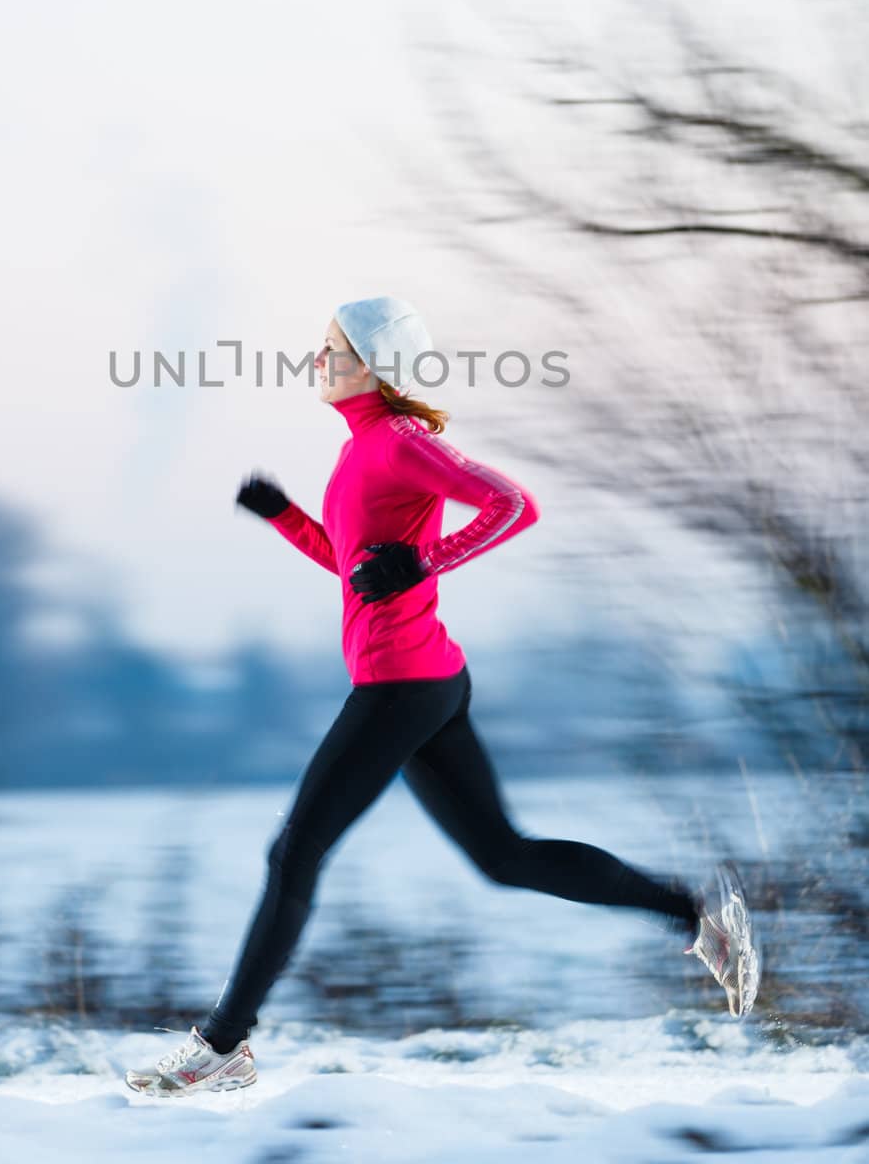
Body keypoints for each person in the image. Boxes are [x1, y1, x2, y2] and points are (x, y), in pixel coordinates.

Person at [125, 297, 759, 1098]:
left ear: (371, 364)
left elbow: (512, 505)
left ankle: (221, 1047)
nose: (313, 360)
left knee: (293, 854)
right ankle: (699, 916)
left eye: (329, 348)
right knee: (503, 856)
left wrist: (425, 565)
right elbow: (356, 564)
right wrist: (284, 515)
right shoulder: (362, 448)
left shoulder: (397, 442)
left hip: (402, 683)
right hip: (422, 678)